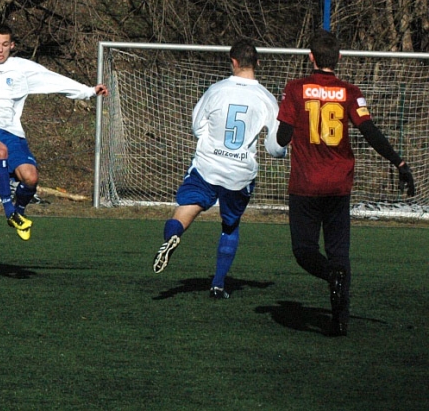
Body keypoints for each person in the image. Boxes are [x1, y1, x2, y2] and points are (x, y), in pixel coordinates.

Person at [276, 29, 415, 336]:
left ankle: (331, 275)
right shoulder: (350, 92)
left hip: (305, 185)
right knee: (340, 252)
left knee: (304, 250)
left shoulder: (296, 88)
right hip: (338, 186)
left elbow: (281, 138)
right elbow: (370, 132)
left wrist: (286, 127)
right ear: (338, 59)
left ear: (310, 57)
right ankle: (340, 319)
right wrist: (399, 162)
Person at [0, 25, 109, 240]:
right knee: (0, 151)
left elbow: (53, 80)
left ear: (12, 46)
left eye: (5, 45)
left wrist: (88, 91)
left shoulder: (22, 69)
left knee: (31, 178)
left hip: (12, 132)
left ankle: (20, 212)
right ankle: (9, 211)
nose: (0, 49)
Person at [152, 40, 287, 299]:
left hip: (208, 164)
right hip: (239, 172)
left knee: (186, 209)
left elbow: (196, 125)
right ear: (257, 63)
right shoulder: (266, 98)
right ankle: (217, 284)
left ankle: (173, 236)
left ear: (233, 62)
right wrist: (282, 150)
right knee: (229, 225)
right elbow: (274, 146)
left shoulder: (216, 90)